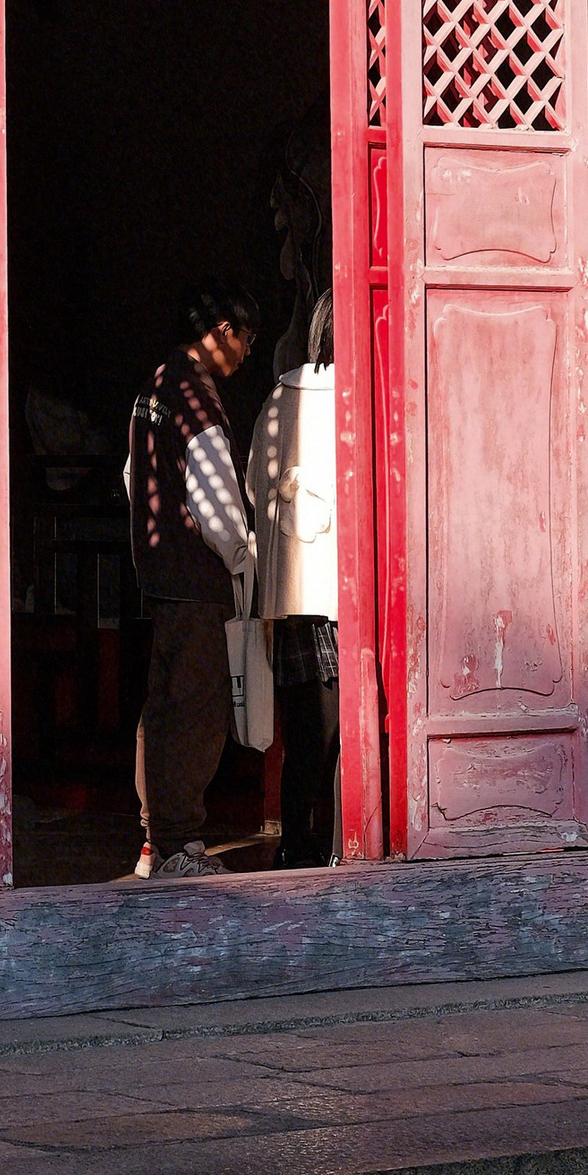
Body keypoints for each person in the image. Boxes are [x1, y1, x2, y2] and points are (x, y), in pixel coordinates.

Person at [124, 281, 261, 879]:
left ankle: (155, 841)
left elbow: (133, 475)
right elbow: (215, 497)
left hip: (158, 574)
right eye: (247, 340)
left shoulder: (155, 385)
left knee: (161, 709)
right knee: (198, 712)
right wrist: (240, 556)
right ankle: (181, 846)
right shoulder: (196, 396)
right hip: (196, 578)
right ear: (223, 332)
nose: (247, 354)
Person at [249, 285, 340, 868]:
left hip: (290, 593)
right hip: (337, 592)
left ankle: (293, 846)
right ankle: (328, 844)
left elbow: (256, 486)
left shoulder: (279, 399)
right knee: (334, 735)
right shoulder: (352, 400)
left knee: (302, 734)